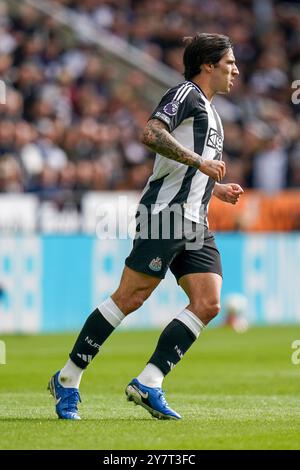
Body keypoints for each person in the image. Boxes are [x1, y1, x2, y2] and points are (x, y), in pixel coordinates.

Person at [48, 32, 243, 420]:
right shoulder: (185, 94)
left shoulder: (213, 111)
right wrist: (199, 163)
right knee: (130, 298)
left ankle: (149, 381)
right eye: (229, 62)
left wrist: (213, 186)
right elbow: (151, 132)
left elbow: (187, 167)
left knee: (209, 303)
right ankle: (68, 378)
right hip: (165, 214)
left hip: (195, 219)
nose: (235, 69)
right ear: (208, 65)